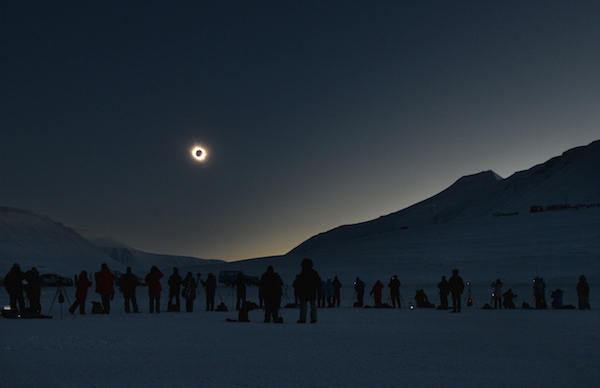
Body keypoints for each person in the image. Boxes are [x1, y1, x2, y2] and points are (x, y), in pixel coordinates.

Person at [295, 258, 321, 323]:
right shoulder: (314, 272)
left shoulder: (303, 273)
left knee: (303, 306)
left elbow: (299, 283)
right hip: (312, 291)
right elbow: (318, 282)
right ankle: (313, 318)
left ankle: (303, 319)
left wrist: (298, 291)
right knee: (313, 306)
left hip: (304, 292)